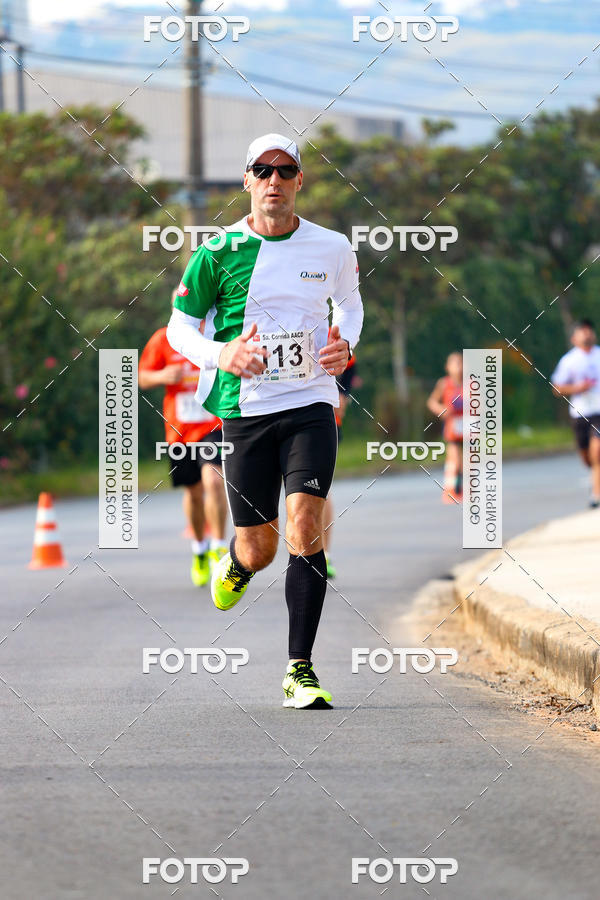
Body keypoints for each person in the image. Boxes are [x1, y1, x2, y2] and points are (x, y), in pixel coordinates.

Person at [166, 133, 363, 709]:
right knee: (261, 548)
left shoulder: (331, 247)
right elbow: (181, 326)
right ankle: (236, 562)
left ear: (300, 180)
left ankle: (299, 669)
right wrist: (220, 353)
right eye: (263, 171)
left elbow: (350, 306)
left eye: (286, 171)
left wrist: (343, 344)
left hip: (309, 405)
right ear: (247, 180)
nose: (274, 181)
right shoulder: (217, 251)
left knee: (306, 527)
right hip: (246, 411)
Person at [139, 302, 229, 586]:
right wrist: (162, 376)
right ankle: (200, 549)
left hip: (211, 425)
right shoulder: (163, 339)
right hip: (179, 430)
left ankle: (218, 547)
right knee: (193, 493)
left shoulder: (215, 334)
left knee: (214, 481)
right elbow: (142, 377)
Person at [551, 319, 600, 507]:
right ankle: (595, 477)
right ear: (574, 338)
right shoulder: (569, 360)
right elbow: (557, 388)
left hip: (599, 412)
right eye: (583, 331)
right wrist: (577, 388)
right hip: (580, 413)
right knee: (587, 456)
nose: (587, 334)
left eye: (589, 331)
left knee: (598, 452)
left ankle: (596, 495)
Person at [322, 350, 361, 578]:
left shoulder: (326, 334)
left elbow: (351, 362)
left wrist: (343, 395)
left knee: (319, 488)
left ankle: (323, 555)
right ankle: (302, 556)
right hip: (275, 420)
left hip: (324, 420)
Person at [427, 352, 463, 503]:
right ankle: (452, 491)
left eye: (460, 363)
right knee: (453, 458)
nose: (459, 367)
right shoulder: (444, 383)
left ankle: (463, 489)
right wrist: (442, 411)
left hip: (469, 428)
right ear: (447, 367)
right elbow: (431, 402)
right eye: (455, 364)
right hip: (453, 428)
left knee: (467, 461)